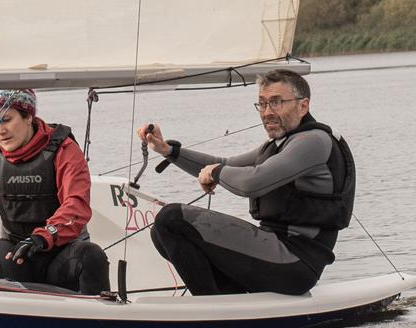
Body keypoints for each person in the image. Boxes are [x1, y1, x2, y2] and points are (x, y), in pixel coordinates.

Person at [138, 69, 355, 296]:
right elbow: (224, 163)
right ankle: (223, 298)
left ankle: (213, 312)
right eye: (262, 104)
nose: (267, 112)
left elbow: (252, 182)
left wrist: (217, 173)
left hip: (294, 262)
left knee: (172, 219)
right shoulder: (280, 144)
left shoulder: (314, 142)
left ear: (303, 106)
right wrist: (168, 150)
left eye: (276, 102)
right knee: (161, 232)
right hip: (273, 251)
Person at [0, 89, 110, 295]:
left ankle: (99, 323)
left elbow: (76, 204)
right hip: (16, 251)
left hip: (62, 250)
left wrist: (44, 236)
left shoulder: (65, 150)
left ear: (28, 117)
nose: (0, 131)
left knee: (92, 257)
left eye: (6, 120)